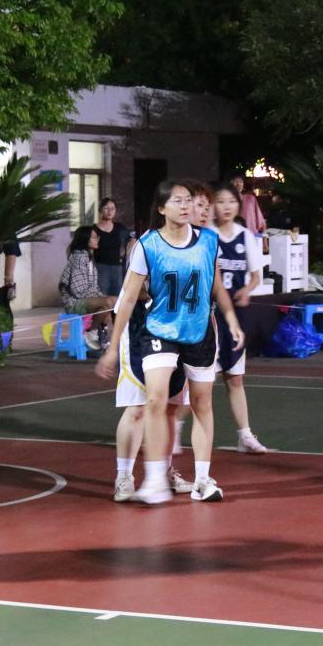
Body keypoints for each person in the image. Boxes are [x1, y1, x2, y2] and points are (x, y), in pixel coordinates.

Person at [95, 180, 245, 504]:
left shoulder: (208, 241)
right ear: (162, 208)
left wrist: (231, 320)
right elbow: (128, 297)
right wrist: (112, 346)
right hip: (156, 330)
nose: (187, 206)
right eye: (179, 201)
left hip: (197, 332)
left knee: (194, 404)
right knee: (151, 400)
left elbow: (216, 286)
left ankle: (200, 479)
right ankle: (142, 478)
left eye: (191, 201)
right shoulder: (147, 245)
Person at [110, 284, 192, 501]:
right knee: (137, 407)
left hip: (175, 324)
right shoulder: (142, 259)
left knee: (170, 406)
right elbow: (138, 288)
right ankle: (124, 475)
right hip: (140, 325)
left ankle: (164, 472)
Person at [212, 183, 274, 453]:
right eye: (220, 201)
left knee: (235, 378)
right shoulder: (207, 236)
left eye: (231, 201)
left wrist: (246, 291)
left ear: (238, 206)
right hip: (209, 316)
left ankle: (245, 436)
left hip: (236, 315)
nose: (226, 206)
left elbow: (256, 277)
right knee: (200, 383)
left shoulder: (246, 236)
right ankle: (173, 429)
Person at [60, 225, 116, 350]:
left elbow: (94, 287)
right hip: (73, 303)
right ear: (85, 240)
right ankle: (90, 332)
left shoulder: (89, 258)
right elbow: (78, 290)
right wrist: (101, 298)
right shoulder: (79, 259)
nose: (97, 240)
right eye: (94, 237)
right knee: (109, 302)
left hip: (84, 299)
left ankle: (102, 336)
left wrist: (101, 297)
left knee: (109, 304)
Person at [92, 198, 132, 297]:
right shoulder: (93, 229)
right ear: (100, 210)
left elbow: (132, 239)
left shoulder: (120, 228)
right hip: (100, 266)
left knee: (117, 297)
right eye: (106, 208)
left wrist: (126, 254)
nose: (110, 211)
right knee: (102, 296)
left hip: (118, 267)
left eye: (112, 208)